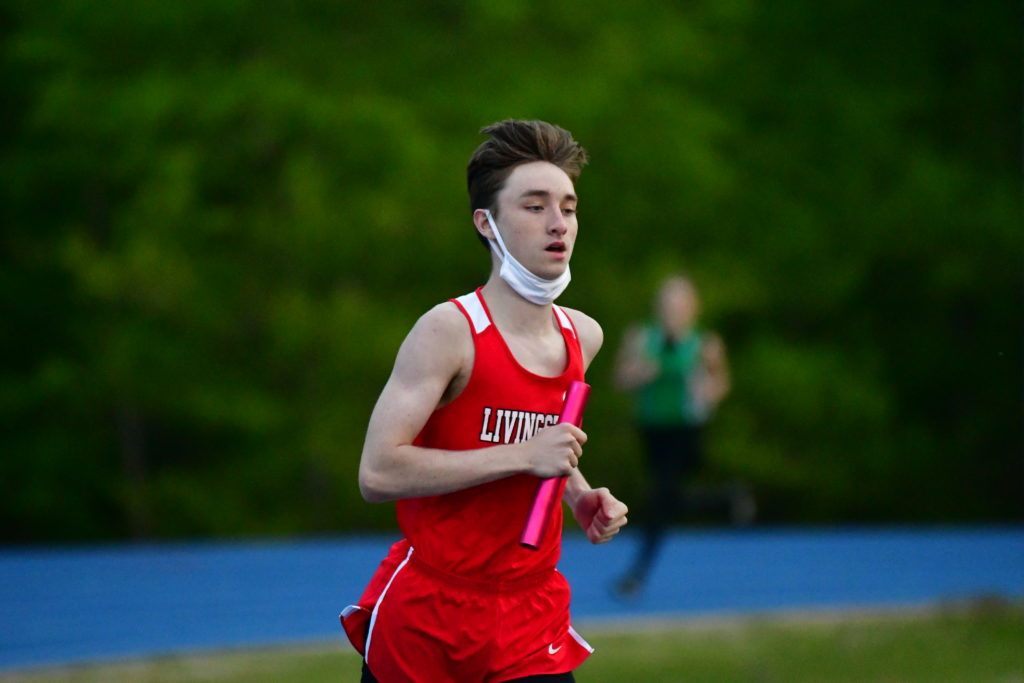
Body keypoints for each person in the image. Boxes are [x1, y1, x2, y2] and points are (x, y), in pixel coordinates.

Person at [341, 120, 629, 683]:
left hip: (531, 614)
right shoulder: (448, 331)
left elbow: (541, 438)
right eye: (535, 206)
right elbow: (377, 473)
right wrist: (523, 457)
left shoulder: (582, 336)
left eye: (569, 208)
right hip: (430, 616)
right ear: (486, 223)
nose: (558, 223)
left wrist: (578, 494)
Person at [612, 275, 750, 598]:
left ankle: (637, 573)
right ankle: (727, 499)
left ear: (693, 308)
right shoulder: (641, 337)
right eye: (668, 304)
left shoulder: (705, 344)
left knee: (661, 498)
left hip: (686, 431)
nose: (673, 311)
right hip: (651, 429)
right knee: (667, 498)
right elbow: (621, 379)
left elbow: (721, 384)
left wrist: (708, 392)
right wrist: (640, 373)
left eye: (680, 305)